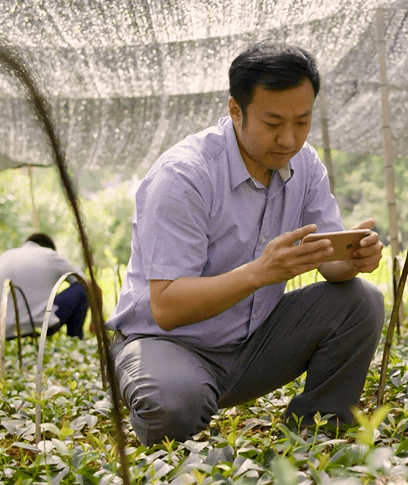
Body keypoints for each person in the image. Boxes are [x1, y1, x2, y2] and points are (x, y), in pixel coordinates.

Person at [105, 41, 386, 446]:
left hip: (252, 344)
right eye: (273, 123)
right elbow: (166, 307)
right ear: (236, 111)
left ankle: (318, 431)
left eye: (302, 122)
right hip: (168, 343)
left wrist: (355, 259)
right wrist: (259, 272)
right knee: (173, 403)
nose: (289, 139)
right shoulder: (184, 176)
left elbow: (331, 264)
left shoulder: (305, 165)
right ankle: (165, 389)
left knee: (361, 300)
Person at [0, 233, 92, 339]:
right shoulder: (50, 254)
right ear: (49, 247)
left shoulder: (5, 256)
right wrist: (96, 320)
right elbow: (88, 285)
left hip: (5, 331)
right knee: (82, 288)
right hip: (39, 326)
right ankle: (75, 339)